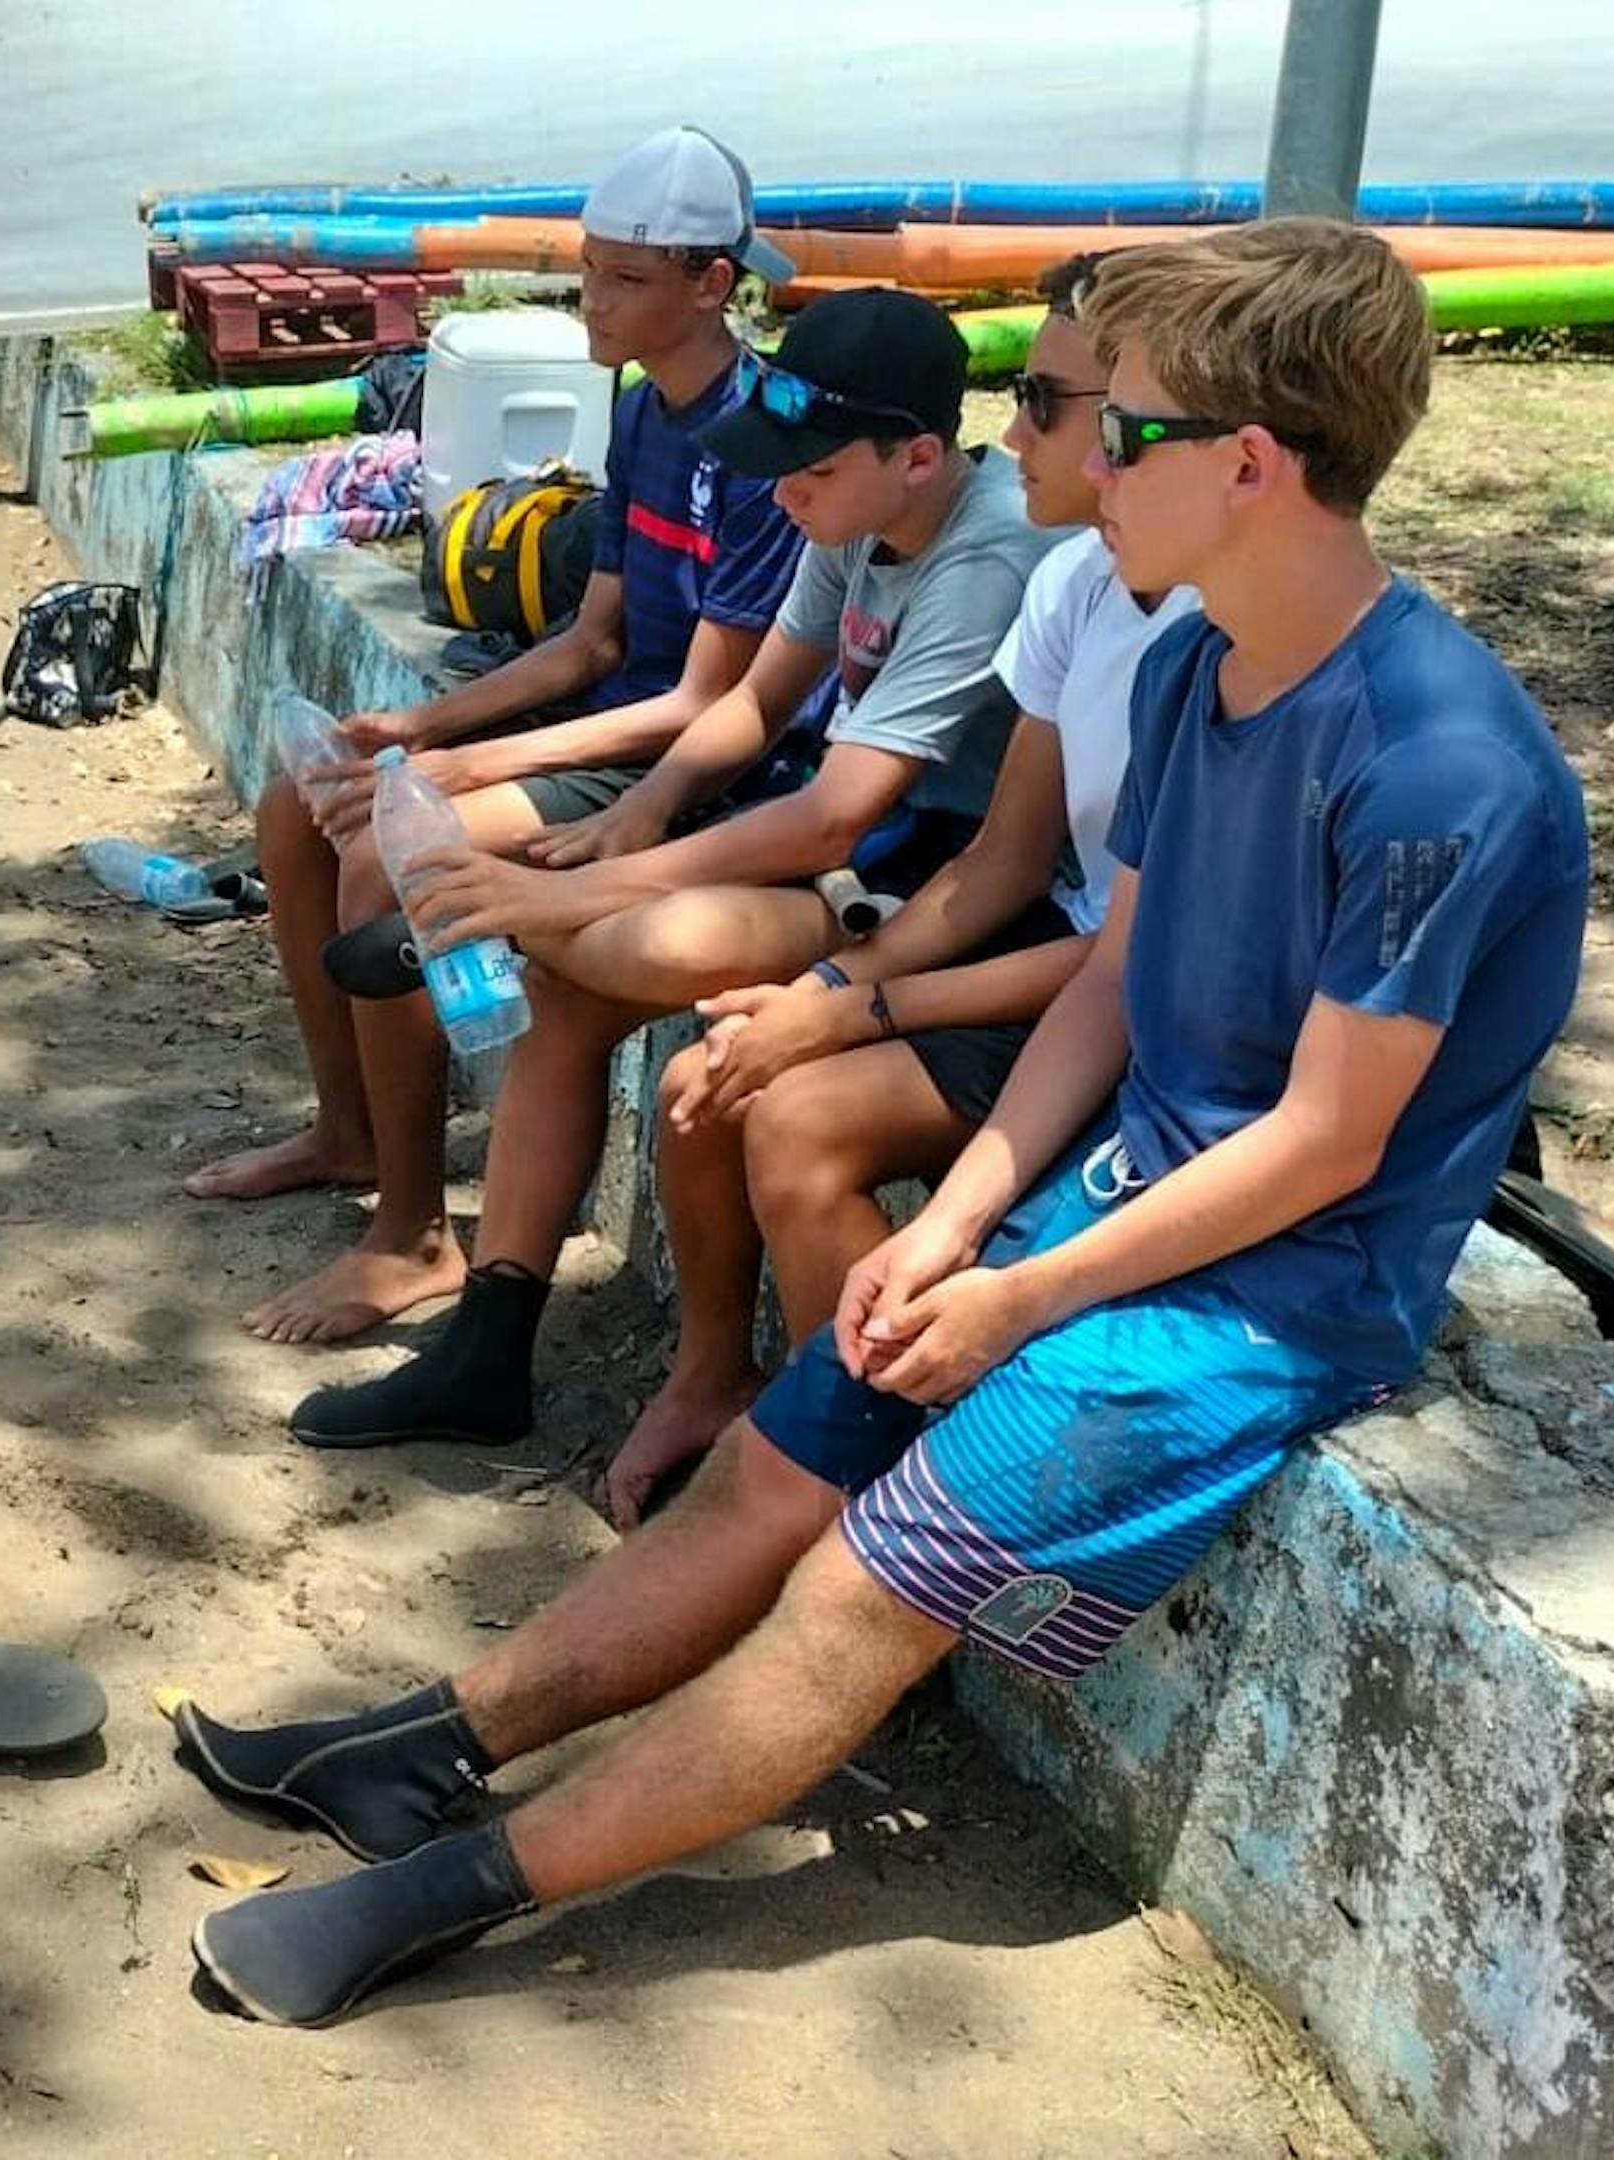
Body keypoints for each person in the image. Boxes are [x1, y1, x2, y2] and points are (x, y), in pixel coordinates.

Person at [163, 219, 1594, 2028]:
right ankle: (424, 1743)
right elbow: (1109, 990)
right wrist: (954, 1225)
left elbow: (1321, 1148)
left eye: (1116, 424)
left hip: (1272, 1290)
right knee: (778, 1458)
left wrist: (1015, 1296)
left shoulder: (1436, 765)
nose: (1063, 451)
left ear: (1250, 463)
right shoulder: (1183, 667)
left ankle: (444, 1895)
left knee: (850, 1588)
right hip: (1113, 1192)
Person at [285, 286, 1060, 1452]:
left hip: (949, 890)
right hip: (867, 856)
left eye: (811, 469)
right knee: (575, 983)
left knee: (632, 949)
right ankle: (492, 1344)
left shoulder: (991, 549)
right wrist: (635, 820)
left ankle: (495, 935)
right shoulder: (845, 517)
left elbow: (833, 820)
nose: (786, 489)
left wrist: (562, 890)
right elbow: (752, 701)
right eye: (780, 466)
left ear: (913, 457)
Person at [603, 251, 1199, 1524]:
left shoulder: (1209, 638)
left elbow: (1132, 965)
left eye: (1047, 401)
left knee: (793, 1113)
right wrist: (831, 986)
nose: (1017, 431)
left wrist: (845, 1011)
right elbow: (1001, 865)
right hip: (1063, 956)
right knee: (705, 1085)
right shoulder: (1074, 585)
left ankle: (851, 1499)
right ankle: (721, 1388)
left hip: (1154, 1019)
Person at [196, 124, 804, 1352]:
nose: (595, 302)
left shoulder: (759, 440)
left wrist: (461, 767)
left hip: (692, 776)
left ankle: (414, 1235)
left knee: (390, 855)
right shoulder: (640, 410)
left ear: (711, 285)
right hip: (608, 732)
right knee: (298, 802)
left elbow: (706, 706)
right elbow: (589, 642)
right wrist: (410, 724)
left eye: (627, 279)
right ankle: (347, 1129)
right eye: (589, 270)